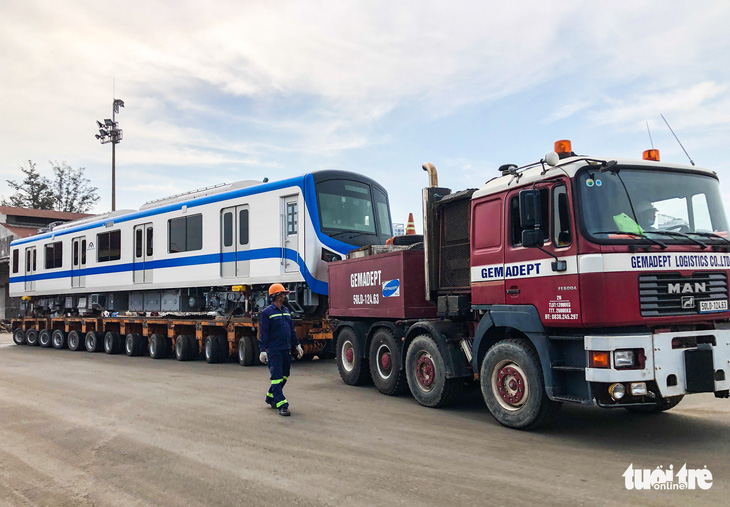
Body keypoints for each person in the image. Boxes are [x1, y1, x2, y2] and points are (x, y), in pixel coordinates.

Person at [258, 283, 303, 416]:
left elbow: (291, 330)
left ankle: (270, 396)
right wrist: (262, 350)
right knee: (276, 377)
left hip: (286, 349)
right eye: (283, 294)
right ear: (277, 296)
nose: (285, 296)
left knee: (285, 375)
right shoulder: (267, 313)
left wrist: (297, 344)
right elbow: (264, 333)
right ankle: (282, 404)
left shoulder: (286, 311)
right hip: (274, 350)